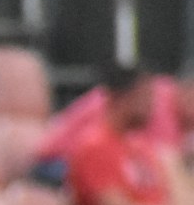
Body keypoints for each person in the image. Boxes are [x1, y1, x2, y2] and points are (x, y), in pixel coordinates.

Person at [65, 67, 194, 205]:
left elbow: (180, 201)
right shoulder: (95, 146)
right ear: (122, 97)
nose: (151, 106)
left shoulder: (141, 146)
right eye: (144, 97)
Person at [34, 67, 188, 183]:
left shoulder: (157, 92)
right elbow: (166, 164)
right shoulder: (156, 99)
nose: (147, 104)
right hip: (58, 162)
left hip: (77, 157)